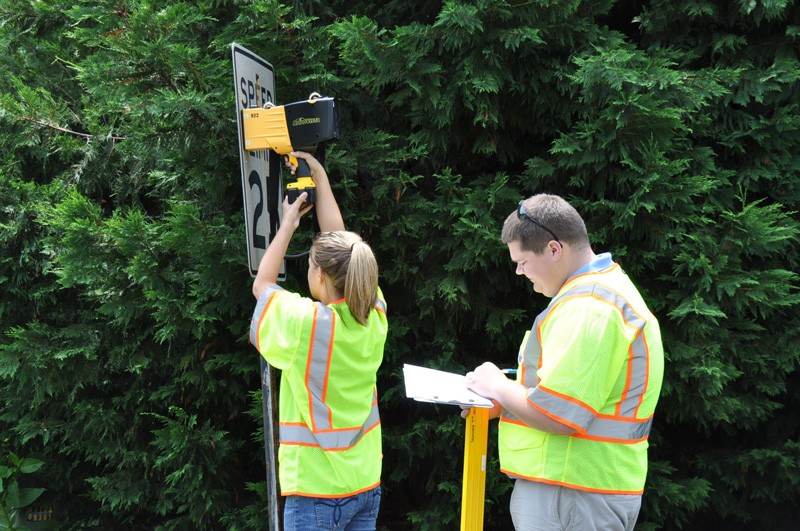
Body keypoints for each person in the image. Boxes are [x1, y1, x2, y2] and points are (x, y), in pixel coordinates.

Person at [464, 194, 664, 531]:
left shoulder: (589, 306)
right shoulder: (601, 293)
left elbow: (558, 412)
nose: (518, 271)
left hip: (572, 493)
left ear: (555, 249)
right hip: (582, 491)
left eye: (523, 261)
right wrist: (506, 403)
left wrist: (497, 386)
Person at [249, 151, 387, 530]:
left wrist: (288, 224)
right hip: (365, 482)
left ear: (323, 277)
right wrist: (321, 180)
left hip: (315, 490)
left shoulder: (305, 324)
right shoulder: (375, 314)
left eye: (311, 264)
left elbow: (262, 285)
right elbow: (345, 248)